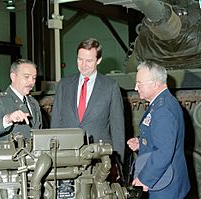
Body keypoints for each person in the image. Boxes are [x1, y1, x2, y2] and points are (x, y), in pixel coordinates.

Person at [50, 38, 125, 166]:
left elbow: (118, 129)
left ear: (98, 60)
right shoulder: (64, 84)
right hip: (68, 156)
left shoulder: (110, 87)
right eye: (80, 59)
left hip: (99, 158)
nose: (83, 64)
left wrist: (118, 163)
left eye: (89, 60)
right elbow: (56, 122)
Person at [127, 61, 190, 198]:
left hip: (164, 183)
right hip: (166, 178)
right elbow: (163, 139)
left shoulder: (162, 110)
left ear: (155, 84)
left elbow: (164, 151)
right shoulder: (162, 101)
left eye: (139, 83)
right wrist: (142, 142)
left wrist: (144, 178)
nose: (136, 88)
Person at [0, 59, 42, 141]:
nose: (31, 82)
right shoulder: (0, 100)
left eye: (34, 78)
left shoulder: (33, 102)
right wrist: (7, 119)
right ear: (13, 77)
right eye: (26, 77)